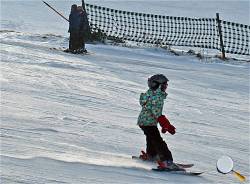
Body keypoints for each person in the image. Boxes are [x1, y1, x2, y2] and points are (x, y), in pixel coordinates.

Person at [137, 74, 180, 170]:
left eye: (166, 85)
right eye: (164, 85)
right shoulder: (156, 97)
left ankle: (152, 155)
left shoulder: (152, 94)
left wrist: (163, 124)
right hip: (148, 122)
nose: (165, 87)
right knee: (159, 142)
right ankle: (167, 161)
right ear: (157, 85)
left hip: (146, 122)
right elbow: (156, 112)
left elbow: (155, 112)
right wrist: (166, 125)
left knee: (152, 139)